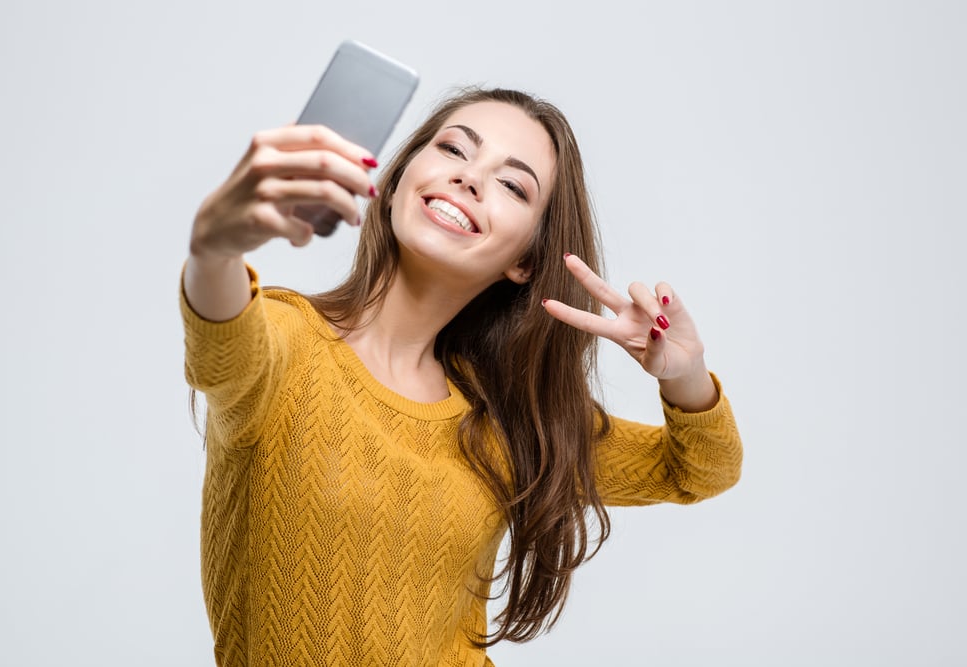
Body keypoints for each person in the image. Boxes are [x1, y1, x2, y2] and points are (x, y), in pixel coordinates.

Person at [181, 87, 742, 666]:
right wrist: (213, 249)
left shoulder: (507, 420)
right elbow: (221, 350)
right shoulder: (285, 342)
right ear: (397, 180)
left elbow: (700, 469)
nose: (471, 179)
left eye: (512, 185)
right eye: (453, 149)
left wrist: (684, 373)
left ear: (523, 260)